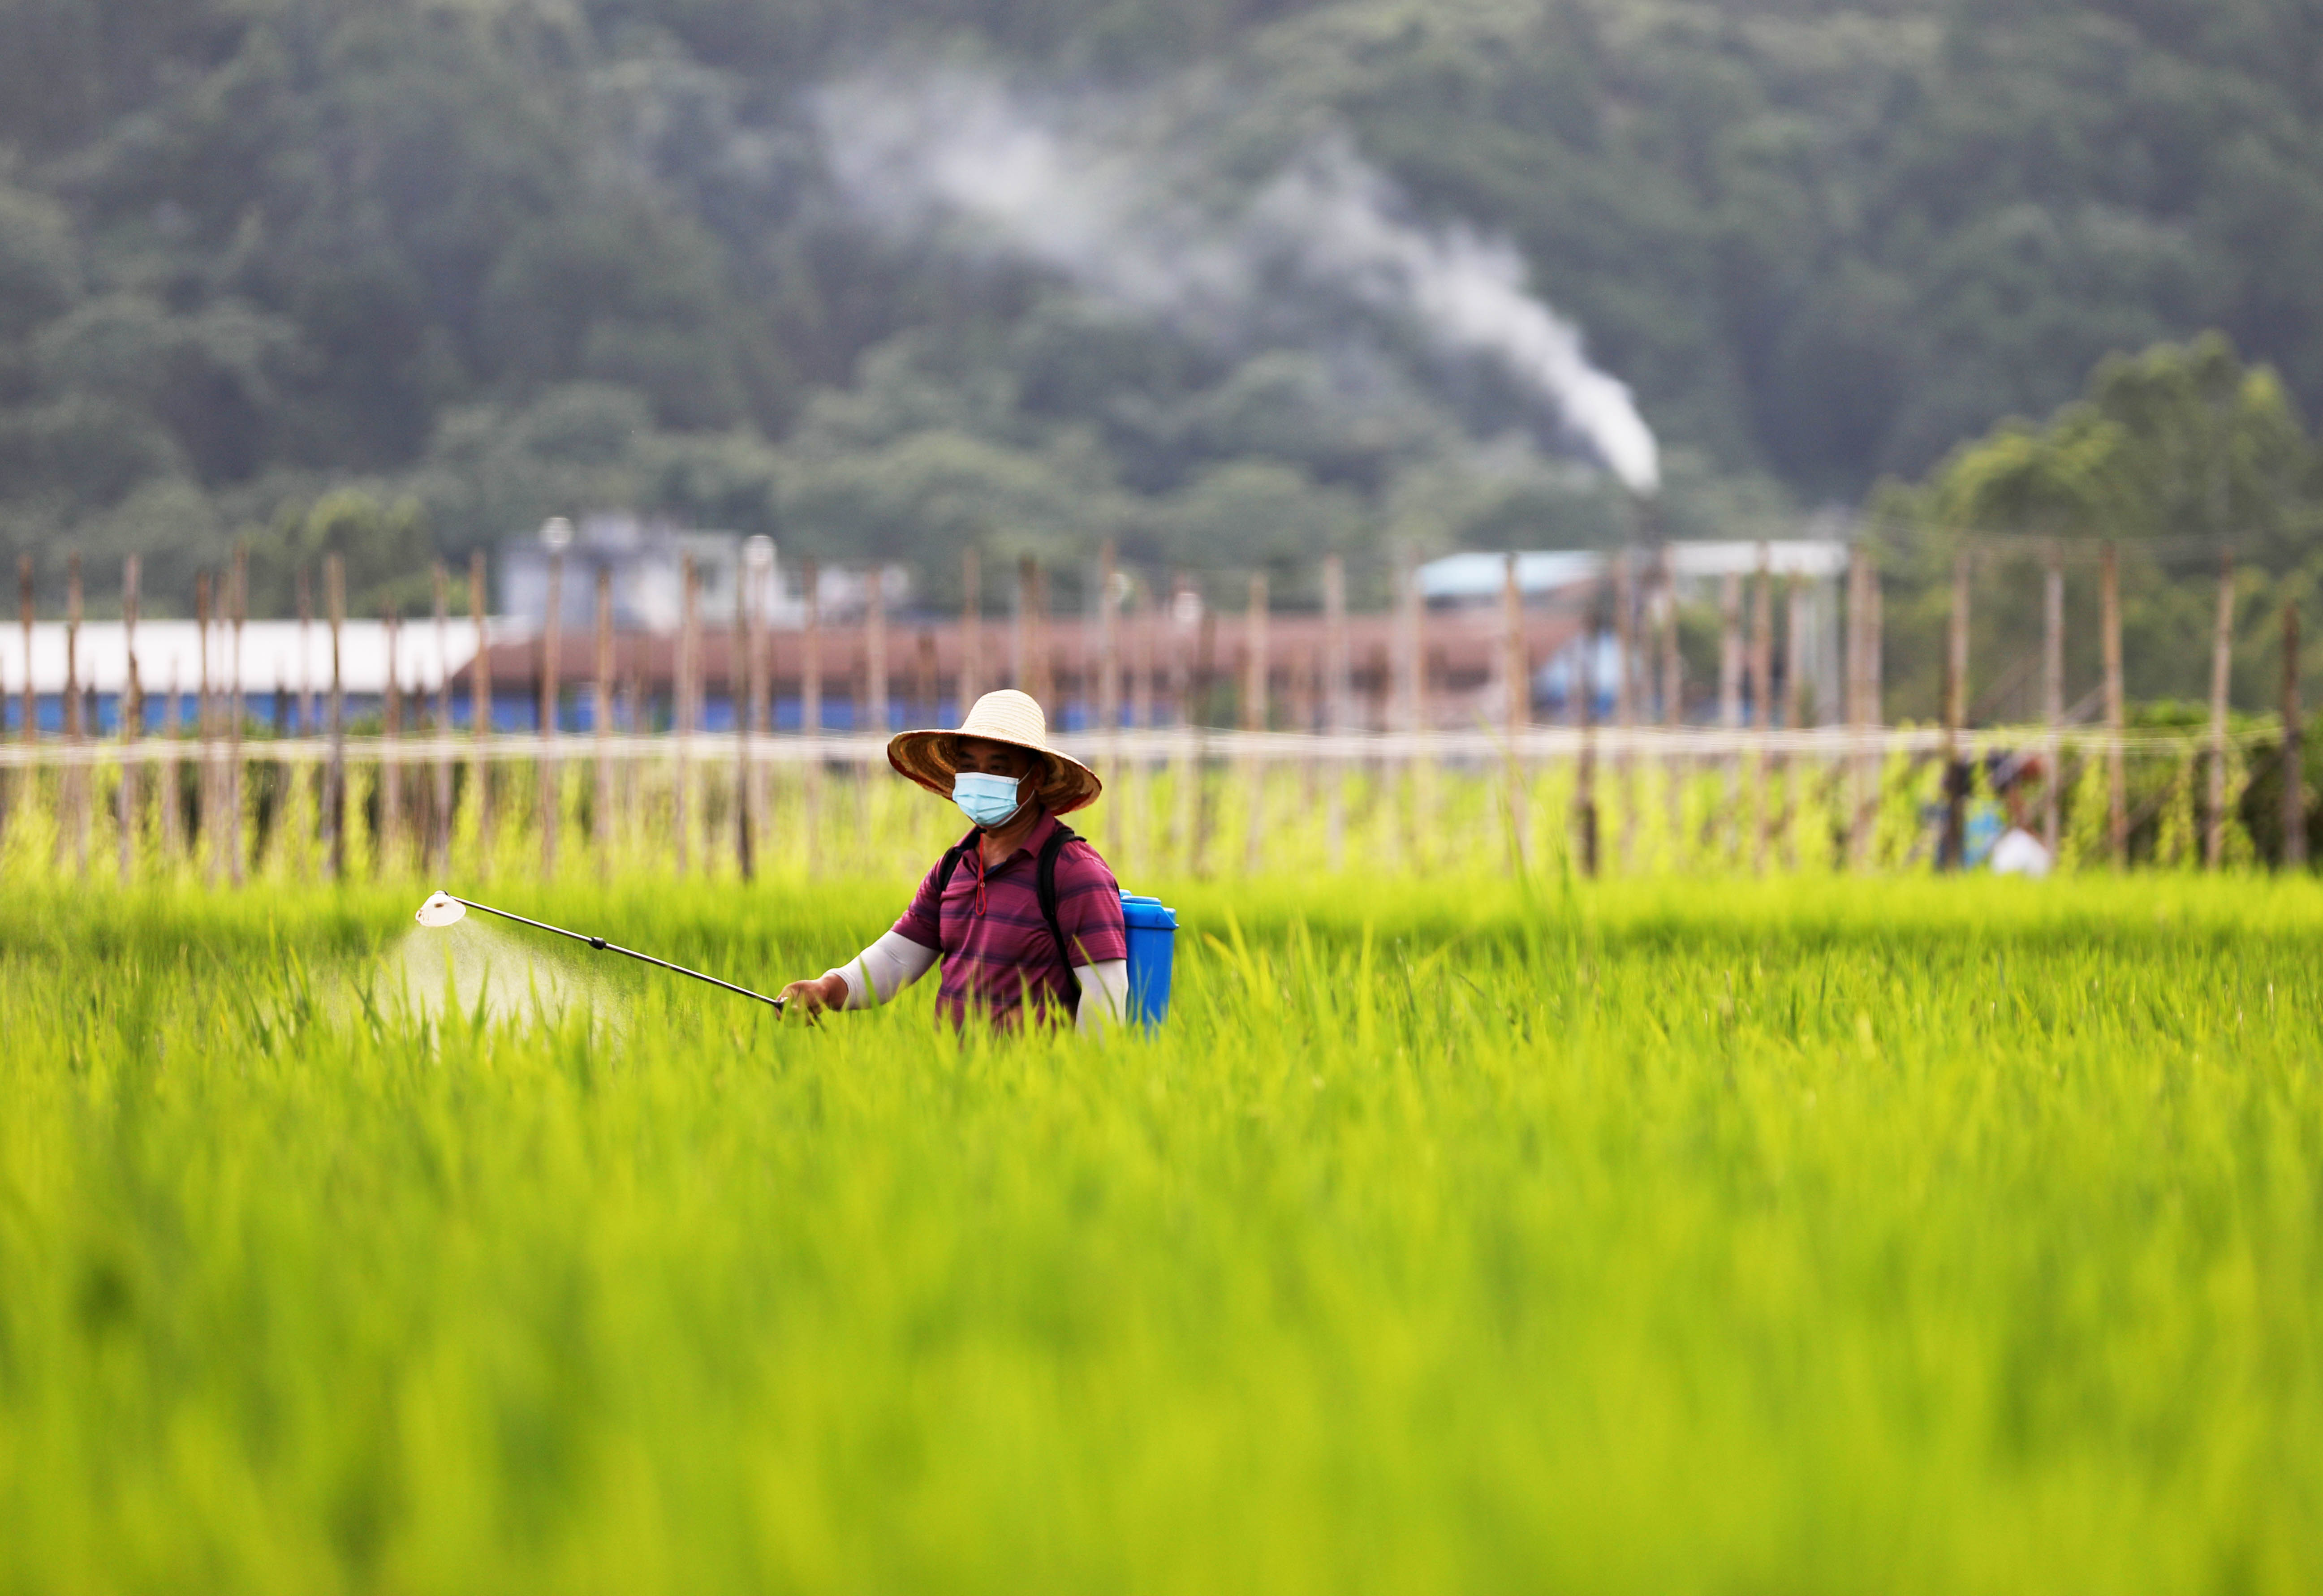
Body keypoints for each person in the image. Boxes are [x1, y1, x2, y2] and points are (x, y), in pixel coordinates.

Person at [780, 689, 1131, 1033]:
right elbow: (897, 957)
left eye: (997, 768)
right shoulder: (954, 867)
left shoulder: (1073, 871)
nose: (981, 778)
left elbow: (1107, 994)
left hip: (1034, 1084)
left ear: (1035, 776)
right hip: (955, 1082)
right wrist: (826, 988)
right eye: (969, 766)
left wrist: (1078, 1085)